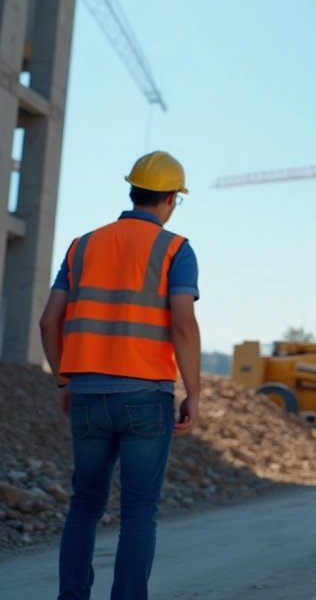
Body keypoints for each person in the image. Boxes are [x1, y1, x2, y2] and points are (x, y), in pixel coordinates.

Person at [40, 151, 202, 600]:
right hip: (146, 397)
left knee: (84, 505)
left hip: (87, 395)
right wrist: (194, 392)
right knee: (138, 511)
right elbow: (183, 325)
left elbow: (48, 321)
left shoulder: (81, 246)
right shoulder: (176, 249)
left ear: (132, 191)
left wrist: (65, 382)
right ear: (171, 199)